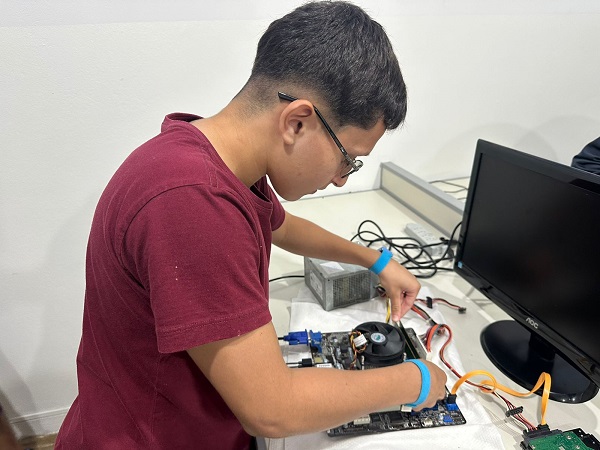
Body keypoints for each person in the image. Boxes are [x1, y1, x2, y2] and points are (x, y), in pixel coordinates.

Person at [55, 2, 447, 448]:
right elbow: (272, 409)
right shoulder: (192, 202)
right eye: (348, 159)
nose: (342, 178)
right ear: (296, 122)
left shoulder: (217, 159)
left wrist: (376, 260)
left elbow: (282, 227)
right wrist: (415, 380)